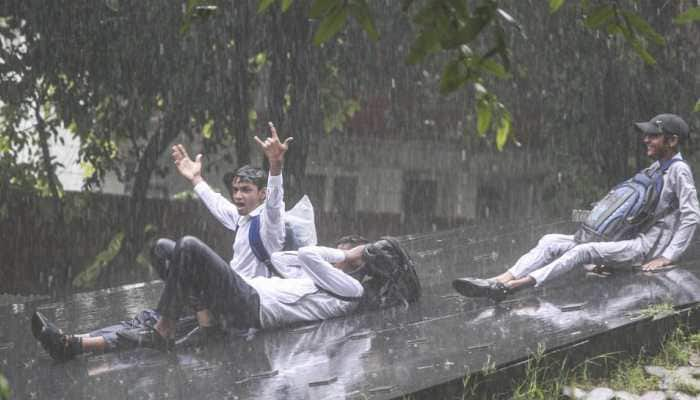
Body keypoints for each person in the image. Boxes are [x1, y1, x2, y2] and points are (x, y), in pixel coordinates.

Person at [453, 113, 700, 301]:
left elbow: (691, 216)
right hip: (623, 239)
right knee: (550, 240)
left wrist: (667, 256)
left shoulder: (679, 171)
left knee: (583, 251)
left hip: (643, 249)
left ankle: (510, 288)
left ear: (672, 140)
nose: (646, 139)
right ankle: (496, 280)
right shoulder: (656, 167)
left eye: (653, 136)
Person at [30, 235, 381, 360]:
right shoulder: (314, 277)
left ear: (356, 265)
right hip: (241, 296)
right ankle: (72, 345)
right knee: (165, 249)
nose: (340, 255)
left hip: (252, 309)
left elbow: (306, 254)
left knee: (189, 246)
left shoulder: (354, 289)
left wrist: (346, 257)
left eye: (348, 255)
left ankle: (168, 328)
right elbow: (283, 259)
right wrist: (340, 255)